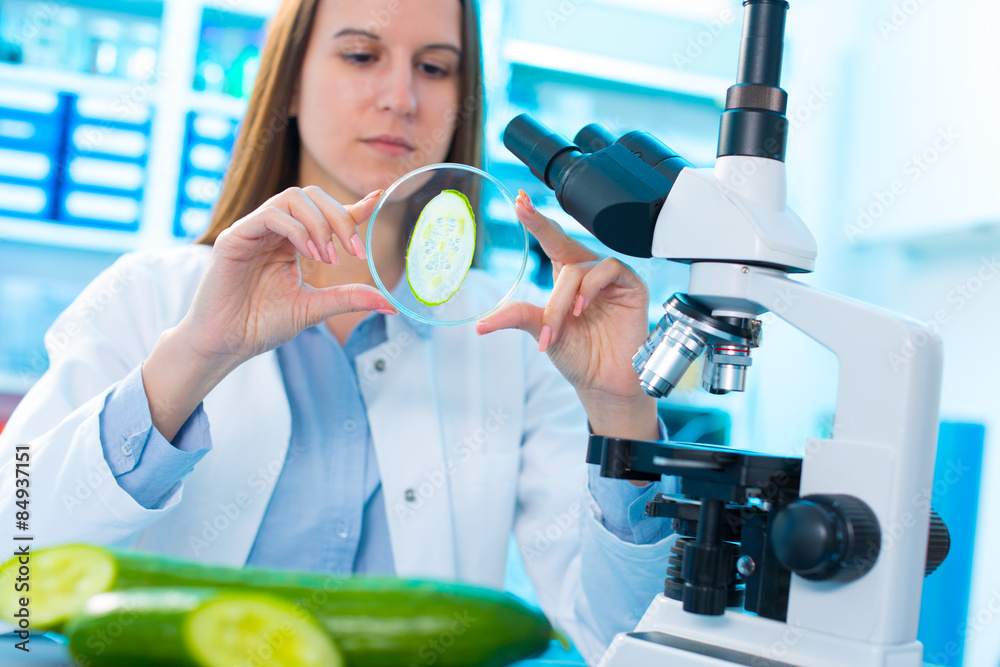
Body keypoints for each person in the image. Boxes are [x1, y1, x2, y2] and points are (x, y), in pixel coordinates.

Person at [0, 0, 676, 661]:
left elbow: (621, 640)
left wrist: (621, 410)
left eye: (436, 68)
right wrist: (193, 358)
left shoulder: (517, 339)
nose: (401, 97)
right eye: (361, 55)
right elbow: (14, 571)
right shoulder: (151, 294)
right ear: (288, 81)